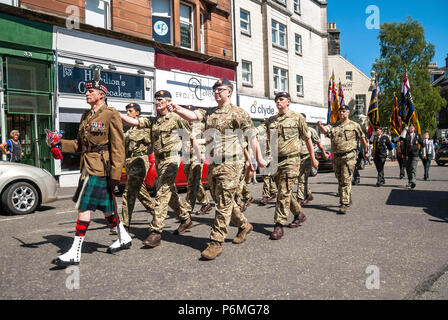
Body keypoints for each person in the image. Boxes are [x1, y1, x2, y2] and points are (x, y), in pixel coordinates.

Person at [168, 78, 267, 260]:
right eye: (214, 90)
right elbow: (193, 116)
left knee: (222, 202)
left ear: (229, 91)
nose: (216, 93)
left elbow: (251, 136)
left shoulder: (239, 113)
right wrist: (178, 109)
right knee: (219, 197)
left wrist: (257, 158)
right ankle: (244, 225)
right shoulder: (210, 113)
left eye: (220, 90)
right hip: (214, 162)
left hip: (232, 163)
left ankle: (216, 242)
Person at [51, 77, 131, 267]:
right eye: (86, 91)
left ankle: (74, 252)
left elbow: (118, 147)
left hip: (100, 168)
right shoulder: (86, 116)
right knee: (106, 208)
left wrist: (115, 175)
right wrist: (59, 143)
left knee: (83, 207)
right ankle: (124, 237)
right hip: (86, 166)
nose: (86, 94)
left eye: (90, 92)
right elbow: (80, 144)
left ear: (101, 95)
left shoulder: (111, 114)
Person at [120, 90, 192, 248]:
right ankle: (185, 219)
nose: (157, 102)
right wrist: (115, 114)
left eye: (160, 100)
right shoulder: (154, 121)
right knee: (170, 193)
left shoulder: (176, 118)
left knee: (162, 192)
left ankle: (156, 231)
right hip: (159, 160)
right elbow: (134, 122)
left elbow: (190, 132)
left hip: (172, 158)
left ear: (168, 101)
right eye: (156, 100)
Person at [258, 92, 318, 240]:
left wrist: (313, 157)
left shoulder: (297, 118)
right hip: (276, 161)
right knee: (284, 191)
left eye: (281, 99)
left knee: (283, 192)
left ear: (288, 102)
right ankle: (299, 214)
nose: (278, 102)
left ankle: (278, 224)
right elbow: (259, 130)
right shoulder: (271, 120)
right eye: (276, 100)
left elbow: (308, 139)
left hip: (292, 160)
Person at [317, 104, 368, 214]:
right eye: (340, 111)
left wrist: (366, 152)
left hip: (349, 156)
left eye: (344, 111)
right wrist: (321, 127)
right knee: (339, 178)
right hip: (337, 157)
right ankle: (347, 197)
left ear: (348, 113)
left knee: (346, 179)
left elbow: (362, 139)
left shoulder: (354, 125)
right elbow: (325, 130)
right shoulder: (334, 125)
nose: (341, 113)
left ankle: (343, 203)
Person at [119, 103, 155, 233]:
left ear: (137, 113)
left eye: (130, 111)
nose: (128, 113)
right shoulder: (129, 130)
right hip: (129, 161)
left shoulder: (143, 126)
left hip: (139, 161)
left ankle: (124, 224)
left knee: (128, 192)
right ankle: (157, 214)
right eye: (127, 111)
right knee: (140, 192)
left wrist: (120, 118)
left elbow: (133, 138)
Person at [181, 119, 212, 216]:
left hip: (197, 154)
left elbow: (209, 139)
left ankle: (187, 210)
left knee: (192, 182)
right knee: (194, 181)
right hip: (186, 155)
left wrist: (196, 142)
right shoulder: (184, 125)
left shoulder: (202, 126)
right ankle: (205, 203)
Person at [296, 113, 327, 205]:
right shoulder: (295, 131)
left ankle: (300, 198)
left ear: (305, 120)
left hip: (307, 157)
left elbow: (319, 144)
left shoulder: (310, 130)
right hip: (297, 157)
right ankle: (308, 194)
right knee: (301, 178)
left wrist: (324, 153)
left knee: (301, 177)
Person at [257, 120, 278, 205]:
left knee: (265, 176)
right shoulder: (270, 133)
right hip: (268, 156)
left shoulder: (264, 133)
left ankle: (266, 196)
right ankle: (272, 191)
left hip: (266, 157)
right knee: (267, 176)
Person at [399, 124, 423, 189]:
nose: (411, 129)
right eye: (410, 128)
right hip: (407, 155)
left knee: (413, 167)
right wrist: (404, 153)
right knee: (408, 168)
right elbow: (401, 143)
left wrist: (419, 151)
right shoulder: (406, 136)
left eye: (412, 128)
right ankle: (410, 181)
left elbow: (422, 144)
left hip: (415, 155)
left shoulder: (417, 135)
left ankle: (413, 181)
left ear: (414, 129)